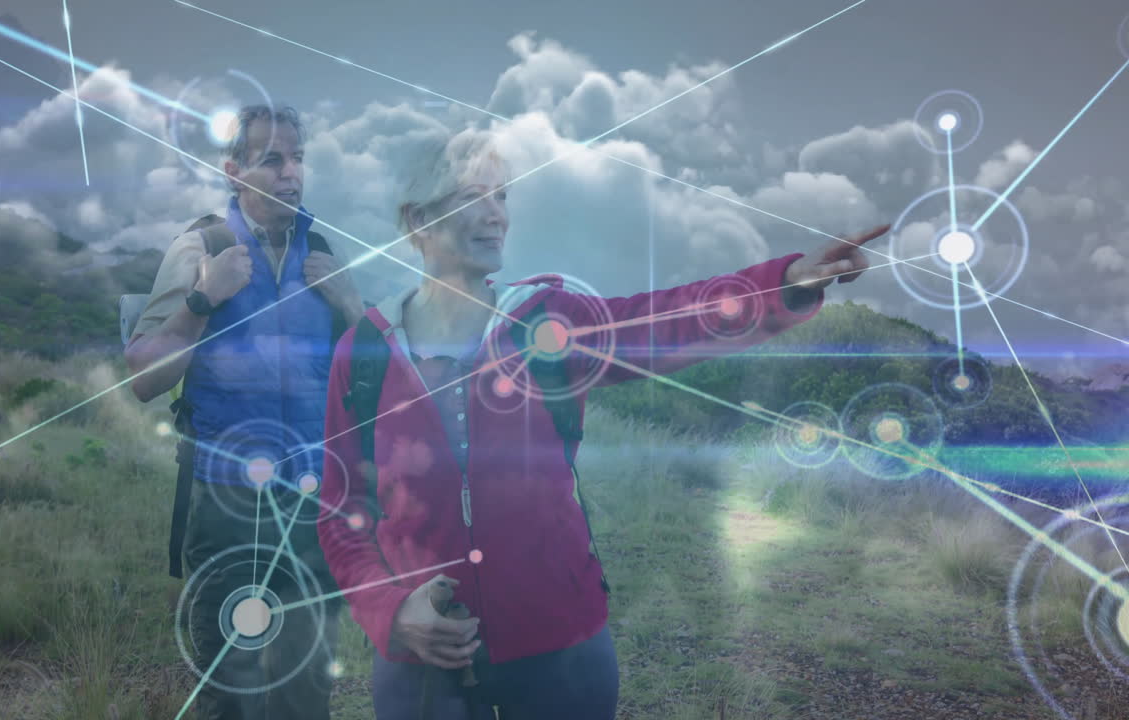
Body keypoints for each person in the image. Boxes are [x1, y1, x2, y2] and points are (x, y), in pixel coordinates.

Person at [315, 128, 888, 719]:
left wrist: (784, 283)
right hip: (422, 669)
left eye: (503, 195)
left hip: (560, 652)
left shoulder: (548, 323)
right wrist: (389, 610)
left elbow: (667, 321)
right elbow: (338, 510)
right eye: (470, 196)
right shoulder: (363, 356)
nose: (495, 215)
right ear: (418, 221)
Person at [124, 104, 364, 720]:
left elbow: (373, 383)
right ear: (234, 171)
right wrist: (203, 299)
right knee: (227, 692)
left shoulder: (325, 255)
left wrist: (355, 308)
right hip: (224, 506)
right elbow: (145, 377)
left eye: (298, 158)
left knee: (306, 691)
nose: (291, 173)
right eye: (271, 159)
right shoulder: (202, 245)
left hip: (310, 509)